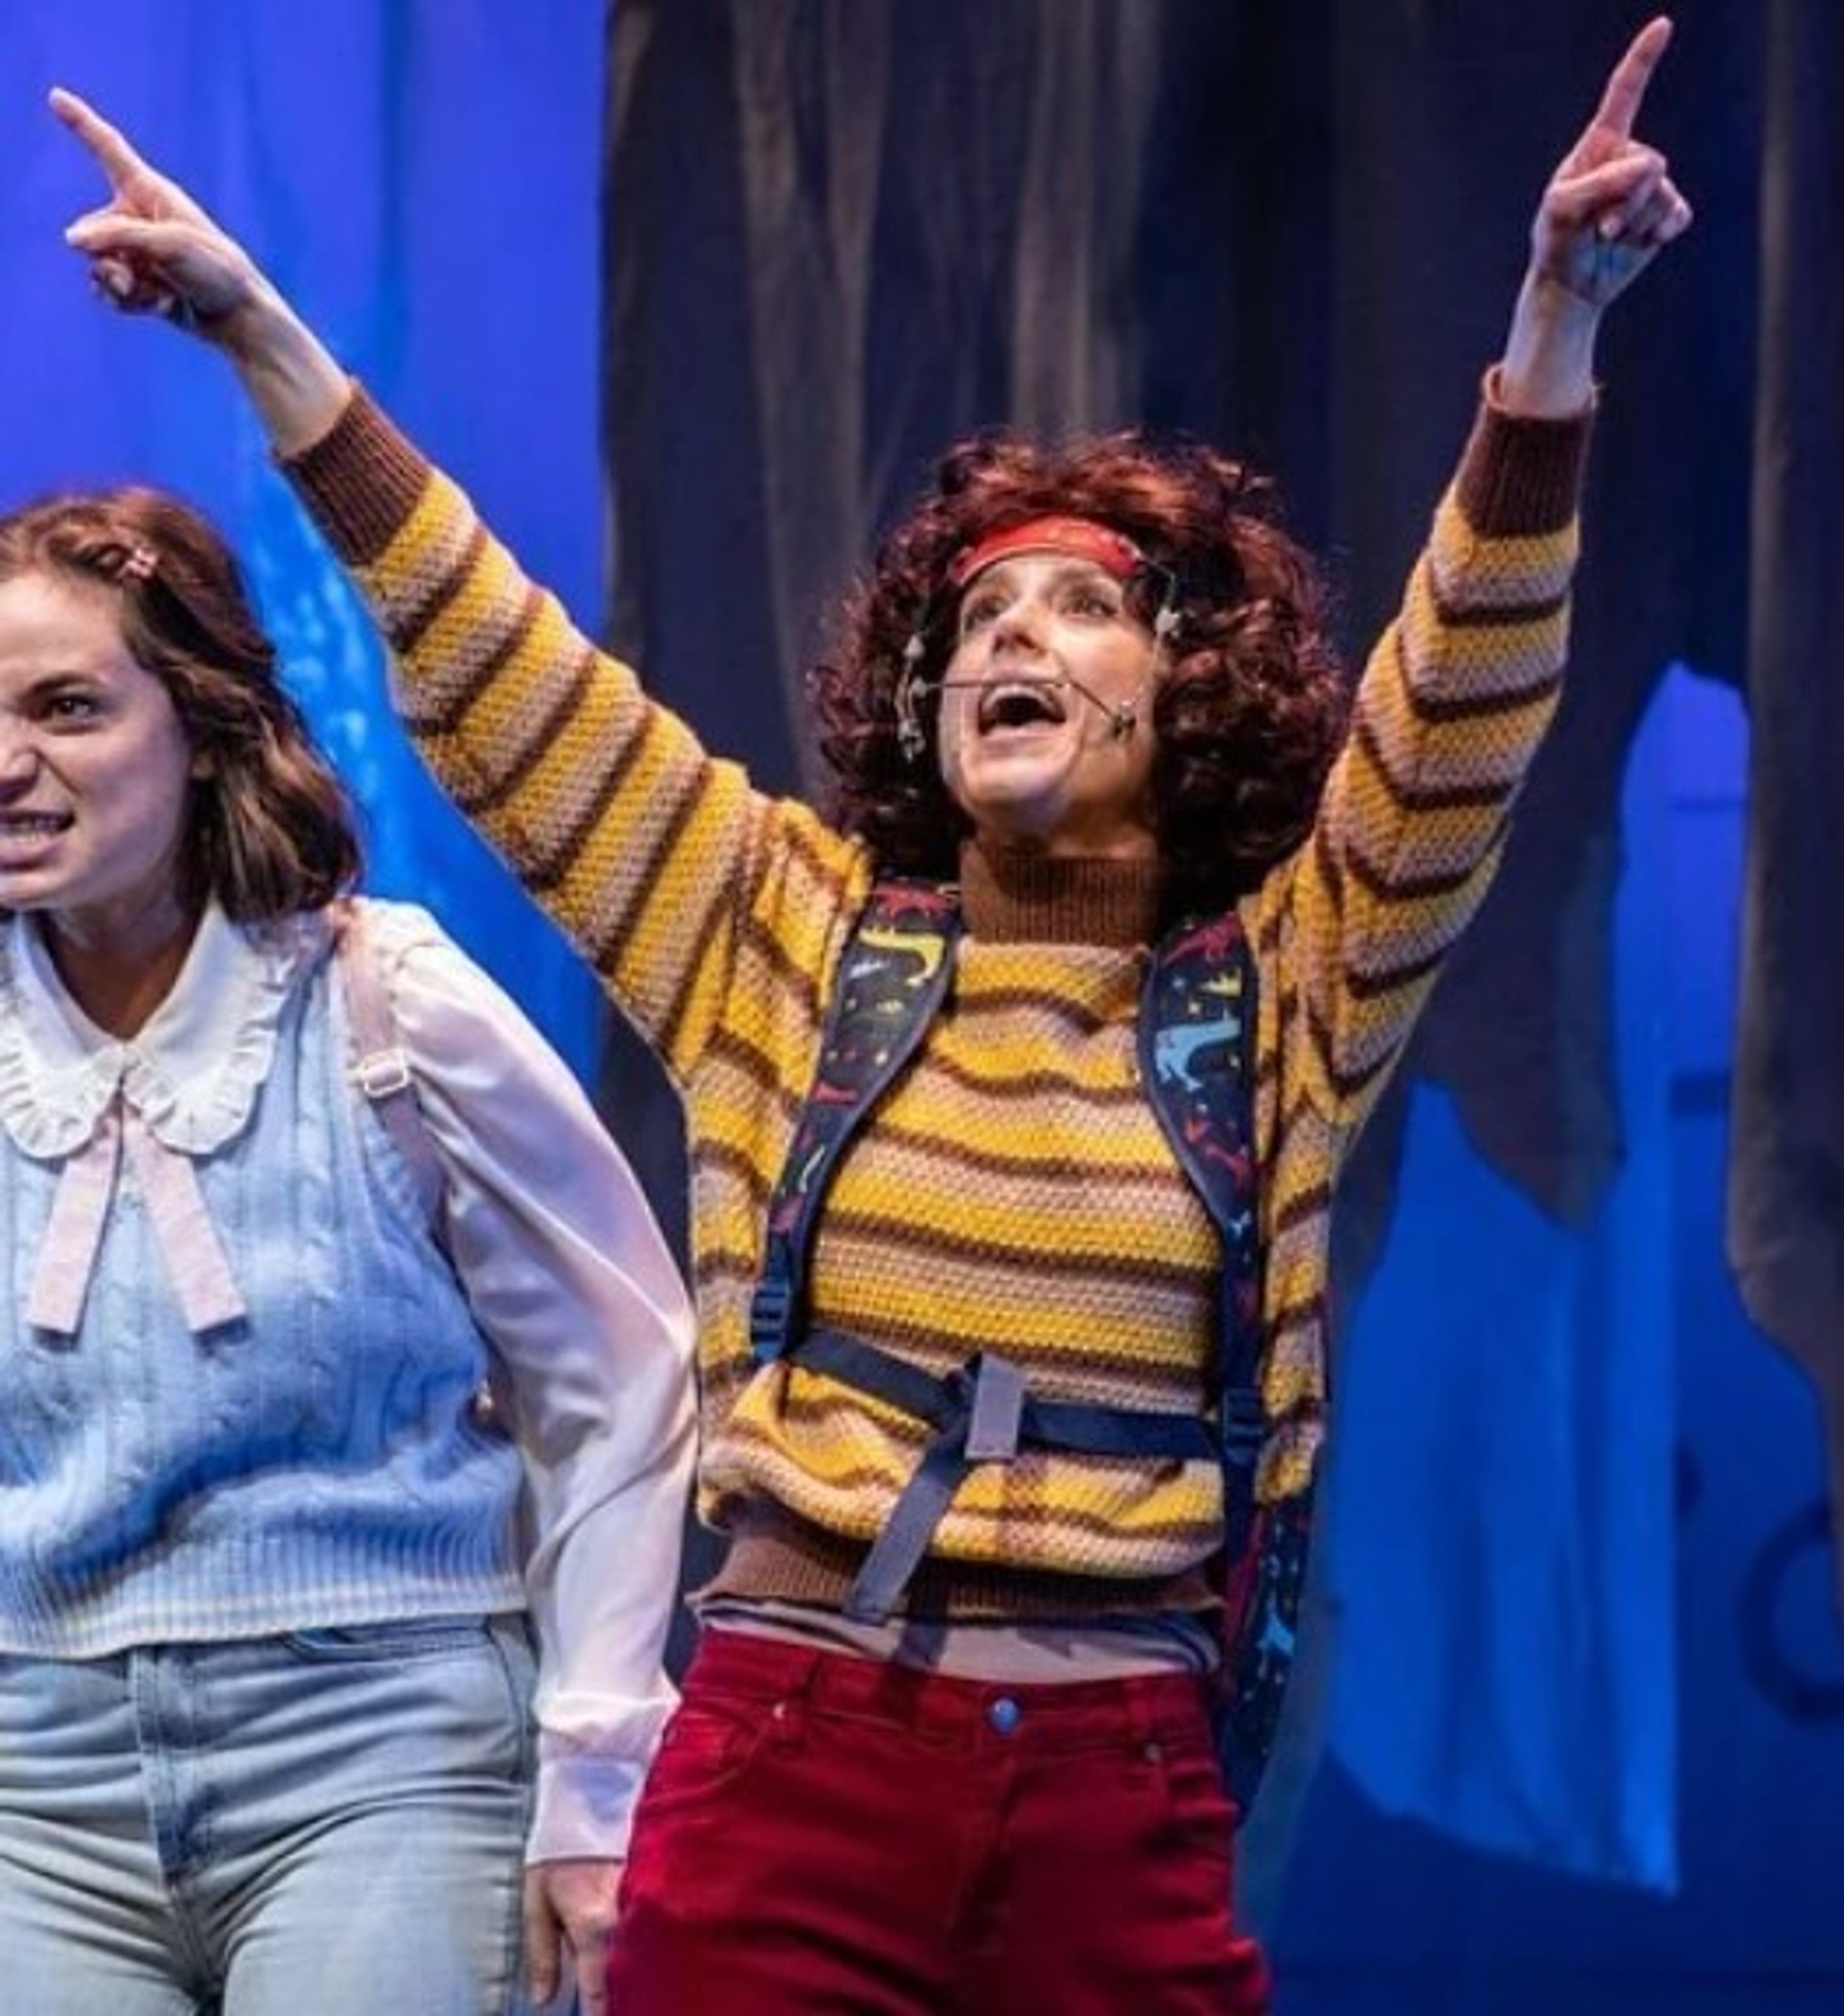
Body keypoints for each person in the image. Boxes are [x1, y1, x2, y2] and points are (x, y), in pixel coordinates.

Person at [49, 14, 1691, 2011]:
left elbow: (1460, 722)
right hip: (792, 1759)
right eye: (974, 619)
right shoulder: (790, 934)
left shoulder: (1278, 988)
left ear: (1194, 696)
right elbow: (500, 666)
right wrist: (258, 335)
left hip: (1119, 1787)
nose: (1010, 634)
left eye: (1079, 608)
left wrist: (1552, 337)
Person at [0, 479, 694, 2016]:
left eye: (67, 707)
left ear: (200, 724)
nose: (9, 764)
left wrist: (596, 1767)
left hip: (380, 1743)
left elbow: (620, 1374)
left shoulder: (388, 1007)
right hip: (31, 1783)